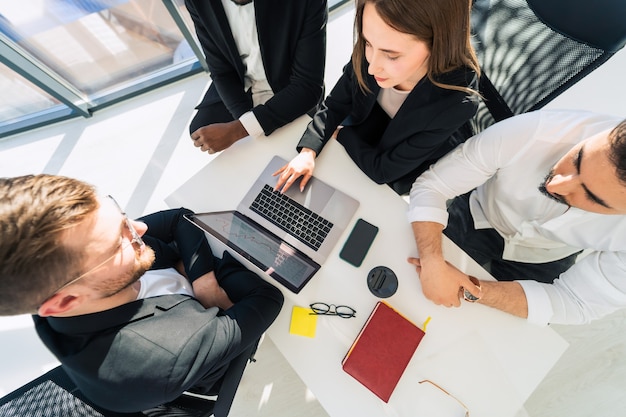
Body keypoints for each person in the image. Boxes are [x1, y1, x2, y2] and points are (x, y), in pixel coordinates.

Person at [0, 174, 284, 413]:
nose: (140, 229)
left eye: (122, 218)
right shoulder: (162, 358)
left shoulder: (73, 276)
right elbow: (267, 298)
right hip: (201, 376)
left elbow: (178, 219)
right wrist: (186, 263)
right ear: (65, 302)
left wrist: (203, 282)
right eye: (117, 242)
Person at [407, 109, 626, 326]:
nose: (555, 184)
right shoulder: (534, 130)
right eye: (578, 159)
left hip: (546, 255)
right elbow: (433, 186)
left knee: (498, 337)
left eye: (591, 196)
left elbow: (576, 302)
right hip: (479, 213)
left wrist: (472, 290)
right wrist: (432, 259)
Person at [275, 0, 480, 195]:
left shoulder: (455, 104)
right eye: (367, 43)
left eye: (392, 56)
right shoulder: (379, 40)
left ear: (438, 44)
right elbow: (336, 104)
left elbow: (383, 171)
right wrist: (308, 152)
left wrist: (341, 134)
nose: (372, 66)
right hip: (363, 135)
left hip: (392, 175)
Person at [185, 0, 327, 154]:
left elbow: (307, 86)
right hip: (241, 83)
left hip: (290, 87)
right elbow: (220, 70)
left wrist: (239, 129)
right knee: (200, 132)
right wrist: (247, 121)